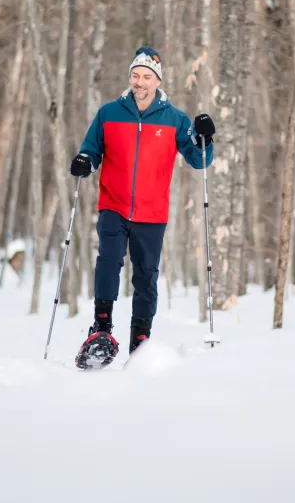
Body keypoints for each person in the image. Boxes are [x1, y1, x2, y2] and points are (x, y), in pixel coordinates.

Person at [70, 46, 215, 368]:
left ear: (157, 81)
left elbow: (199, 159)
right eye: (135, 75)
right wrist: (84, 161)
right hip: (114, 203)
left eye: (146, 76)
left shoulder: (174, 119)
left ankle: (141, 339)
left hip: (152, 212)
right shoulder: (109, 113)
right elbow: (90, 151)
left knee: (146, 277)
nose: (140, 82)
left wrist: (207, 137)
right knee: (108, 261)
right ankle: (102, 330)